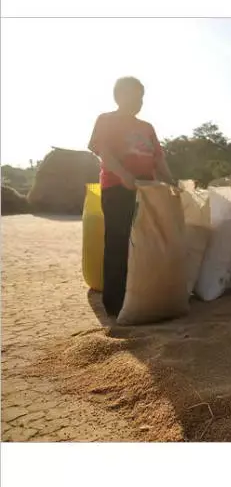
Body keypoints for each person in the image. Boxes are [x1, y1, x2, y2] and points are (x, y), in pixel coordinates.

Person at [88, 76, 175, 317]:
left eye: (141, 97)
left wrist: (171, 180)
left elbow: (158, 158)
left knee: (145, 242)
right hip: (117, 188)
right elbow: (103, 151)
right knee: (118, 241)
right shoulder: (106, 120)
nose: (139, 101)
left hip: (147, 191)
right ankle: (115, 303)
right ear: (119, 96)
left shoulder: (147, 127)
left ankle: (142, 295)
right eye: (135, 96)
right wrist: (124, 174)